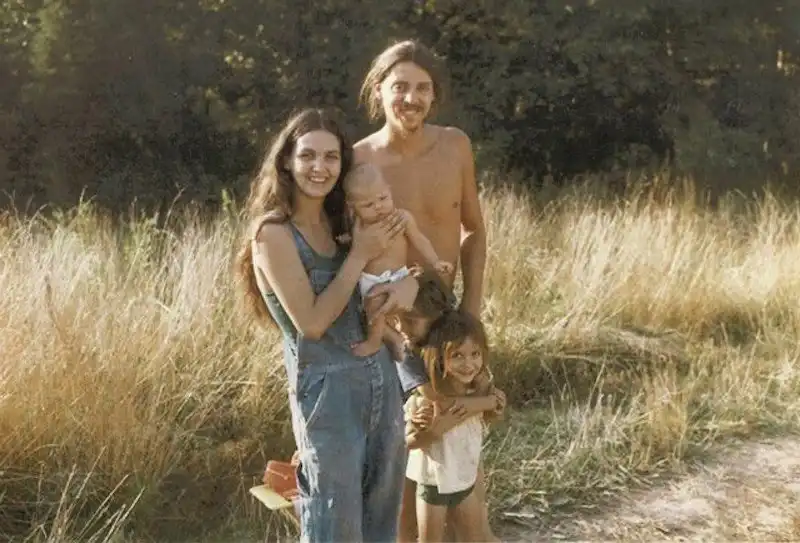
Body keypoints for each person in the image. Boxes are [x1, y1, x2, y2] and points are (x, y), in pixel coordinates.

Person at [235, 107, 420, 542]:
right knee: (335, 524)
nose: (320, 167)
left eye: (331, 157)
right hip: (327, 395)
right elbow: (312, 323)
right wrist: (359, 255)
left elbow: (401, 271)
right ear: (287, 161)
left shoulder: (348, 220)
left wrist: (407, 287)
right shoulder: (273, 234)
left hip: (381, 377)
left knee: (382, 520)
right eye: (308, 156)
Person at [355, 39, 489, 541]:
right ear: (379, 90)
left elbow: (474, 231)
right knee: (406, 455)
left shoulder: (455, 145)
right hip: (390, 329)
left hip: (447, 321)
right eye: (399, 87)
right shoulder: (359, 161)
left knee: (460, 455)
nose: (410, 98)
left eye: (422, 88)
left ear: (434, 96)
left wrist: (469, 314)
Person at [405, 310, 503, 542]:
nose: (468, 364)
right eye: (457, 355)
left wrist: (493, 404)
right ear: (440, 358)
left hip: (466, 482)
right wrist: (433, 432)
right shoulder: (427, 401)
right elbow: (408, 442)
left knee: (473, 538)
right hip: (434, 487)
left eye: (475, 354)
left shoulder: (478, 391)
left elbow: (490, 417)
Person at [343, 162, 453, 357]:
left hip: (400, 275)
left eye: (383, 198)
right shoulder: (360, 226)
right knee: (374, 307)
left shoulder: (402, 218)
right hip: (372, 280)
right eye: (368, 205)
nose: (378, 207)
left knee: (411, 312)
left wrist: (435, 261)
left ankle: (415, 343)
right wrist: (347, 238)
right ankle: (375, 341)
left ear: (389, 190)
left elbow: (419, 239)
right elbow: (355, 244)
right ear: (352, 207)